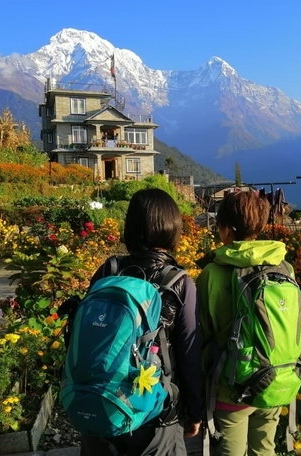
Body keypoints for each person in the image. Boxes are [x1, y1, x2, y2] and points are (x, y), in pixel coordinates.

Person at [80, 188, 202, 456]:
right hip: (153, 413)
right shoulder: (178, 282)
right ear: (172, 227)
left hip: (101, 404)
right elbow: (189, 353)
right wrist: (195, 411)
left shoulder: (108, 270)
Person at [196, 190, 292, 456]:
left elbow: (202, 336)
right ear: (260, 226)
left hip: (232, 388)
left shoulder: (212, 274)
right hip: (275, 378)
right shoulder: (283, 267)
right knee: (265, 450)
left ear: (225, 229)